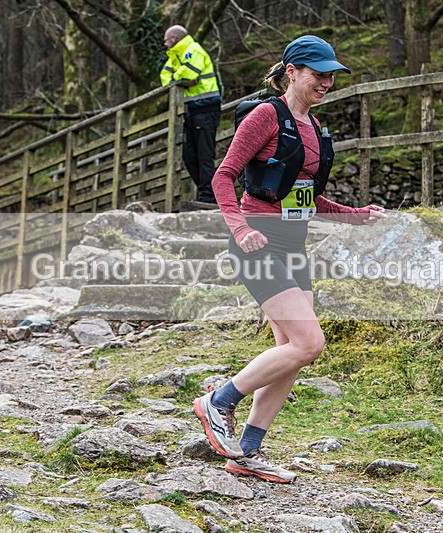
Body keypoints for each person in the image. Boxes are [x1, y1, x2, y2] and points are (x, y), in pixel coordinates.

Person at [193, 35, 387, 483]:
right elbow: (223, 177)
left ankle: (247, 453)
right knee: (309, 343)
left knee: (293, 353)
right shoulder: (266, 116)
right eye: (319, 74)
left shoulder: (316, 128)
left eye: (331, 76)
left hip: (293, 247)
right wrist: (240, 229)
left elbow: (307, 199)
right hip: (256, 244)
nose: (327, 83)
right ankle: (217, 401)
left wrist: (356, 215)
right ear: (292, 72)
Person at [160, 25, 221, 205]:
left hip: (205, 108)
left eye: (166, 40)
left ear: (174, 38)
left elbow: (187, 75)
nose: (165, 44)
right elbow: (165, 78)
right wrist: (178, 80)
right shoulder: (174, 56)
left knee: (204, 155)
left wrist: (178, 79)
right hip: (189, 111)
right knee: (189, 157)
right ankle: (209, 193)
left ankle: (209, 196)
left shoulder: (193, 50)